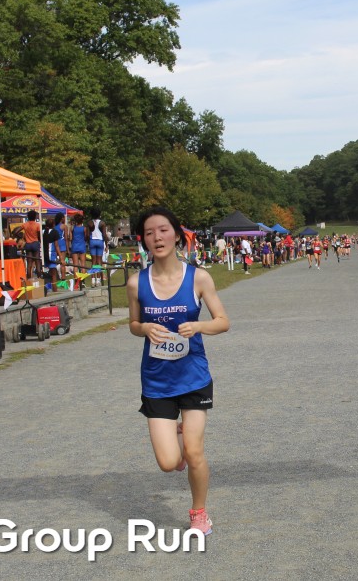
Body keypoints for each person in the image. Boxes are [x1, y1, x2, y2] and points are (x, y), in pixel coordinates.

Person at [127, 207, 230, 536]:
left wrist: (198, 326)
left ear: (176, 234)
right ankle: (180, 432)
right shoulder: (136, 282)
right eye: (149, 233)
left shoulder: (198, 277)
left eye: (163, 230)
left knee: (195, 452)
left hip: (193, 377)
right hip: (157, 381)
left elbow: (222, 321)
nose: (157, 237)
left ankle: (199, 514)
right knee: (169, 463)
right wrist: (145, 328)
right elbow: (133, 324)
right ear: (143, 241)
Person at [22, 210, 42, 277]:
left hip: (28, 244)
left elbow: (16, 231)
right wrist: (39, 241)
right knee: (37, 262)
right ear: (35, 216)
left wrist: (22, 237)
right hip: (35, 243)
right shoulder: (37, 225)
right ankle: (39, 279)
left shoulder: (25, 224)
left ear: (28, 217)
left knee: (29, 263)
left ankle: (29, 279)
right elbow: (39, 235)